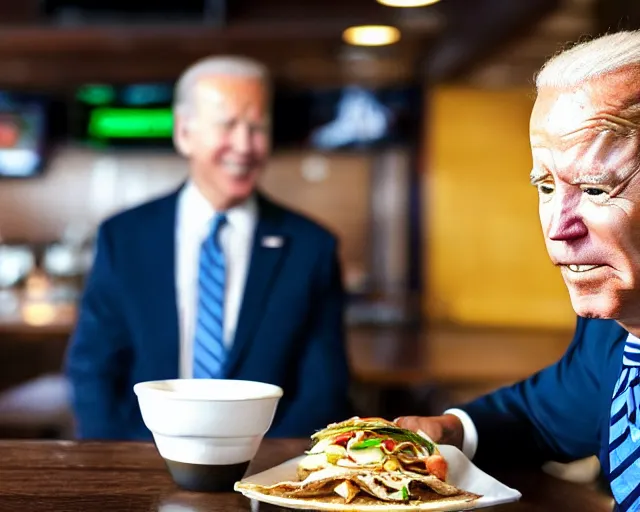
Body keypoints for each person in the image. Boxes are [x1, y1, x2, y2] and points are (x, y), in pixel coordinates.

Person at [395, 30, 640, 511]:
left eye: (594, 189)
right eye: (546, 187)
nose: (557, 228)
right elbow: (543, 415)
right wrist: (451, 429)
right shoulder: (615, 331)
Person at [65, 55, 352, 440]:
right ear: (185, 133)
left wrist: (270, 470)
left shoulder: (311, 247)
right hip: (143, 462)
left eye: (257, 127)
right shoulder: (124, 237)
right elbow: (93, 369)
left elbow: (324, 388)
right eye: (228, 125)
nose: (244, 145)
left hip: (267, 471)